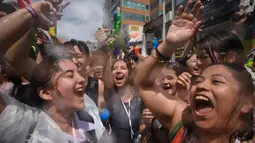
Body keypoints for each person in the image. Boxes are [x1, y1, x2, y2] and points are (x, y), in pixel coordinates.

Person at [135, 0, 255, 142]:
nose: (201, 86)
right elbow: (143, 84)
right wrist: (168, 46)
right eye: (197, 81)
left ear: (247, 100)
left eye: (216, 81)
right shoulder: (182, 118)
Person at [106, 59, 144, 143]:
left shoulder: (140, 98)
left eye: (123, 68)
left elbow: (144, 125)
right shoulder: (109, 98)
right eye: (115, 68)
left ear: (129, 73)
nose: (118, 71)